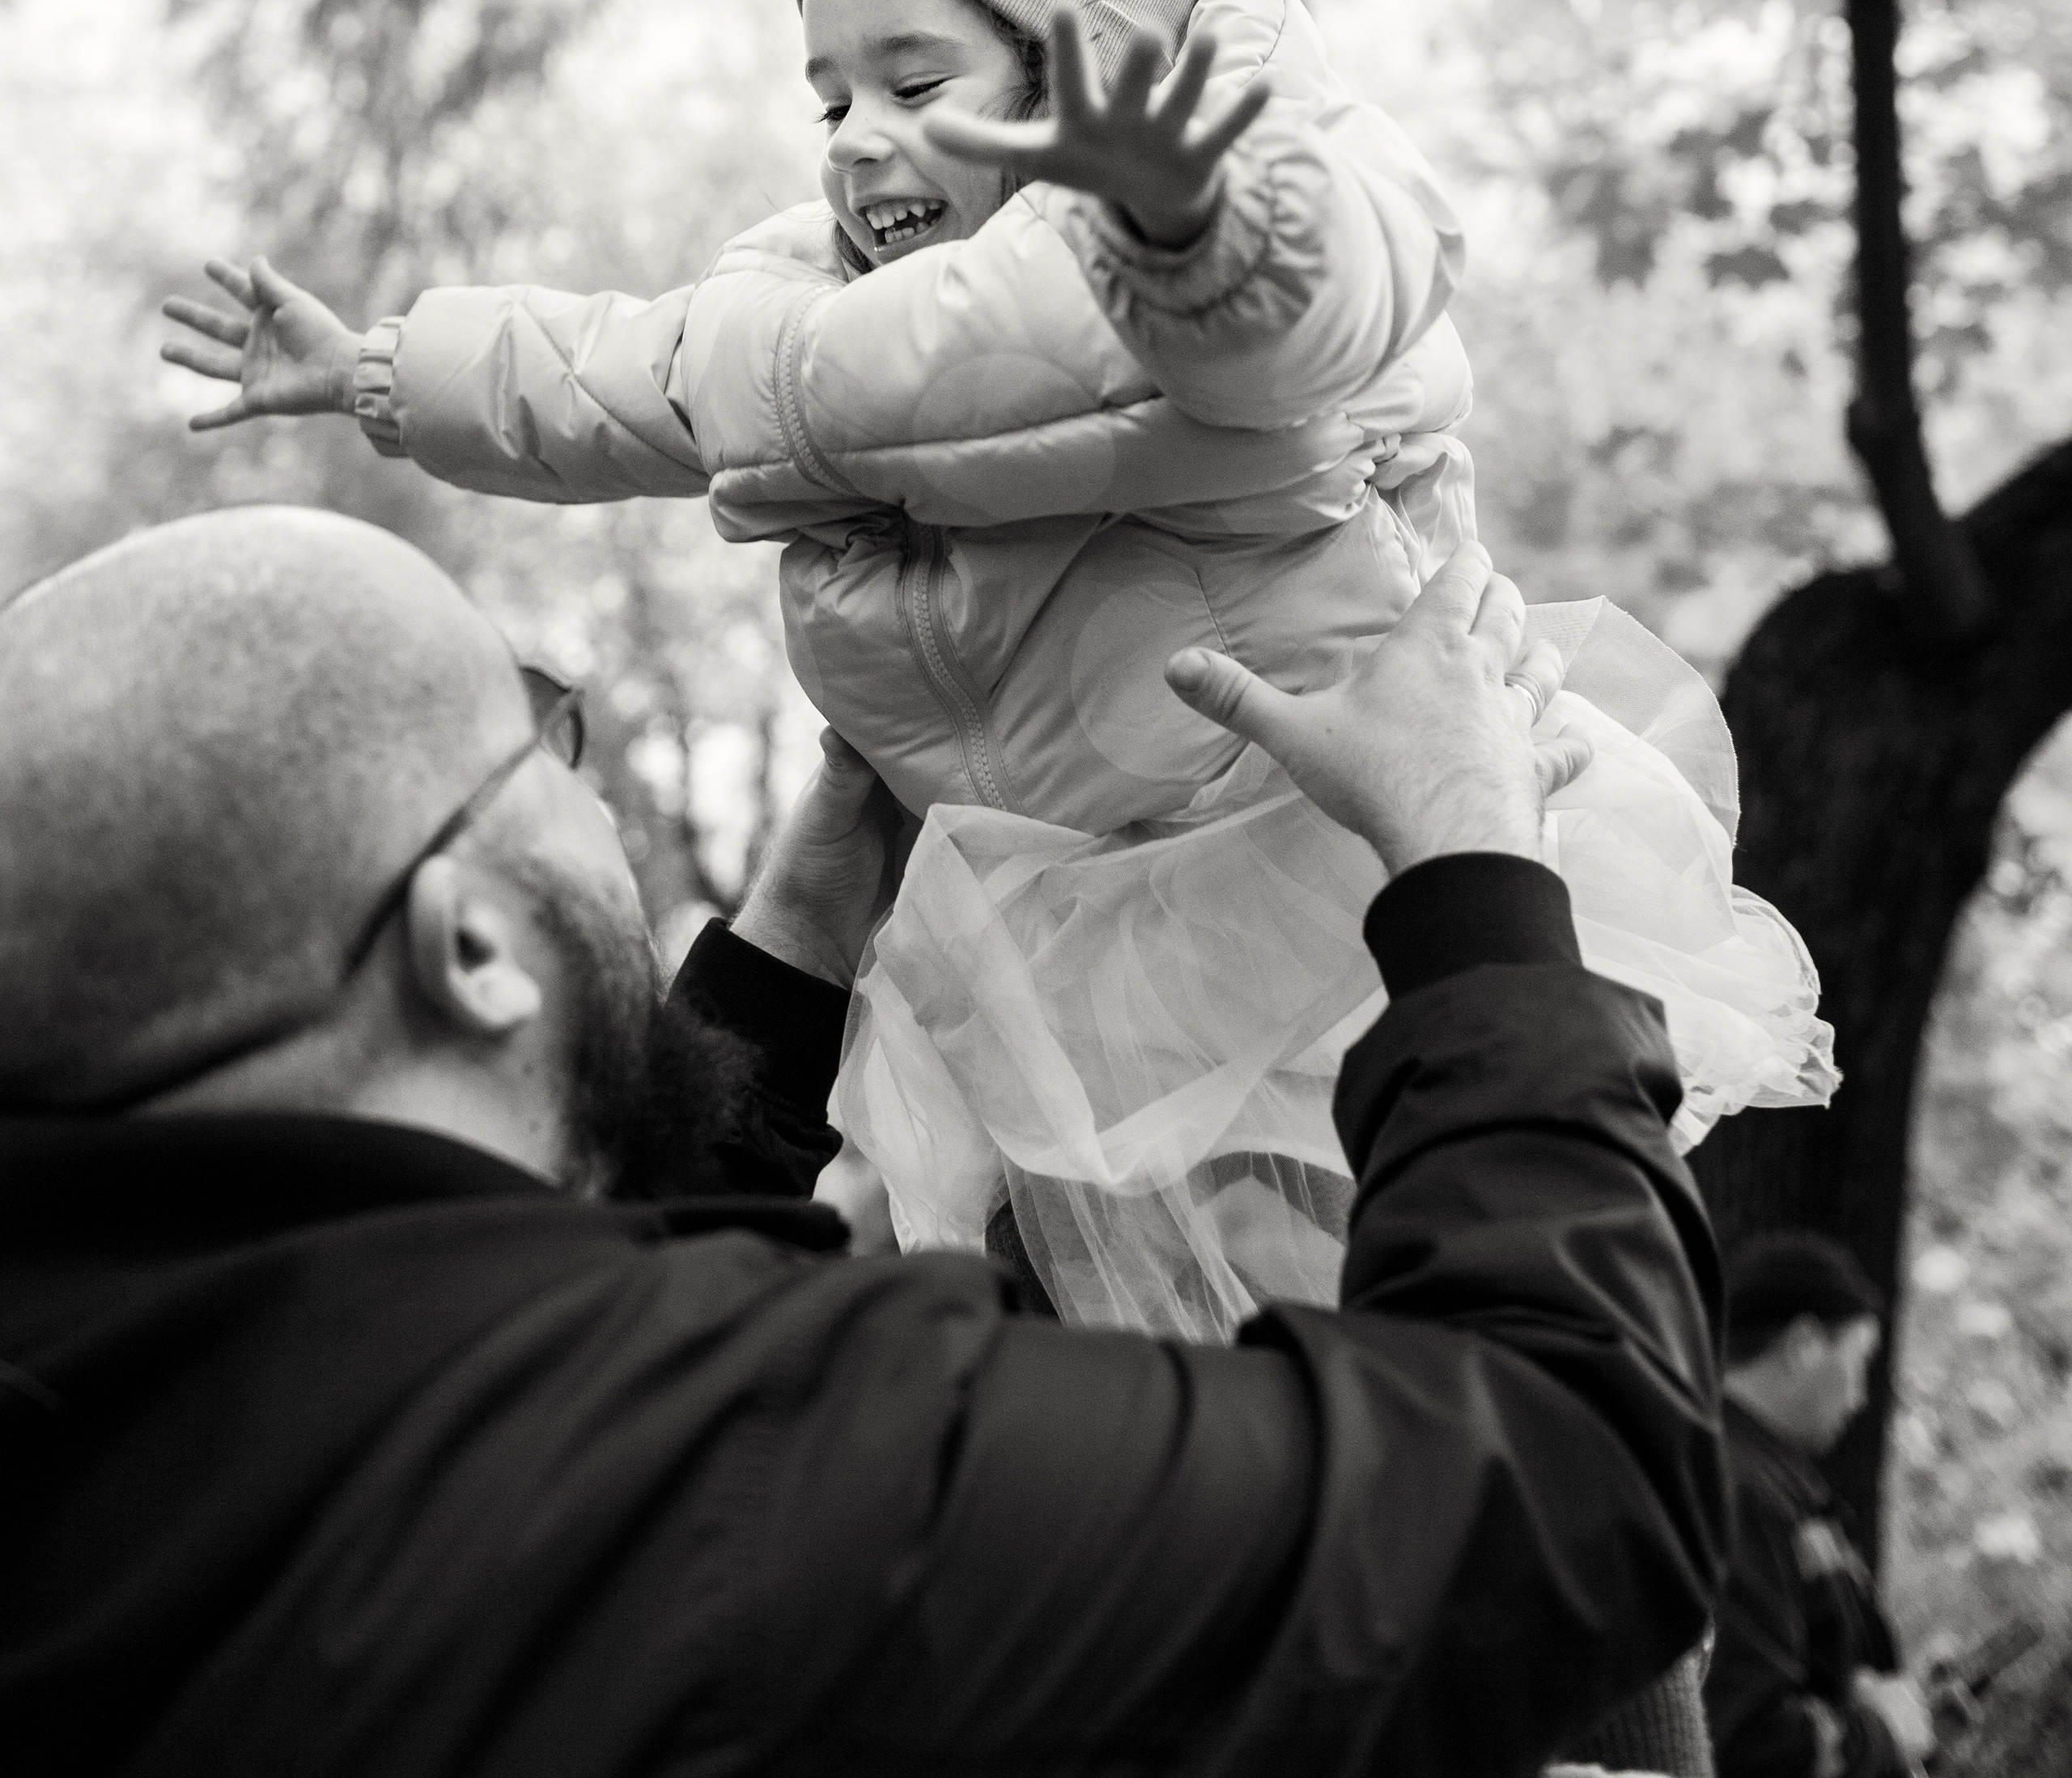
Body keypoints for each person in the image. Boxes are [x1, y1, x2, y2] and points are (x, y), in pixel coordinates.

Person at [162, 0, 1831, 1335]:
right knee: (1112, 1322)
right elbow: (619, 374)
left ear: (1076, 67)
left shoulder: (1204, 266)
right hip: (1054, 938)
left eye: (913, 83)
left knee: (1348, 1290)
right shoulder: (804, 314)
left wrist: (1187, 216)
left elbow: (1305, 301)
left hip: (1310, 880)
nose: (854, 137)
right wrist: (381, 371)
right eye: (827, 100)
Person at [0, 507, 1726, 1778]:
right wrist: (1469, 863)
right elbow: (1561, 1495)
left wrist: (796, 934)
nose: (593, 793)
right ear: (468, 944)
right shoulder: (751, 1480)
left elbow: (498, 1335)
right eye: (541, 742)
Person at [1705, 1233, 1936, 1778]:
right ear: (1803, 1344)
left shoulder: (1763, 1478)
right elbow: (1746, 1740)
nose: (1860, 1397)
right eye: (1860, 1361)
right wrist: (1881, 1734)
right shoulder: (1739, 1489)